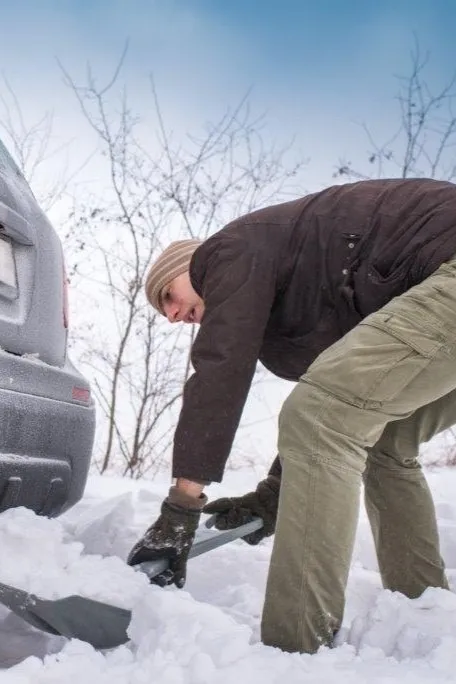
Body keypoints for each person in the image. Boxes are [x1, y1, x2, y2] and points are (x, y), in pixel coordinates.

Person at [127, 177, 456, 654]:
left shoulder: (230, 249)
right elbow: (339, 403)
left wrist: (181, 508)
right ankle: (422, 612)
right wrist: (274, 495)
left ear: (191, 267)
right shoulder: (297, 306)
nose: (173, 315)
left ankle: (294, 652)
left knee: (322, 419)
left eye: (168, 297)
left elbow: (222, 368)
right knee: (383, 442)